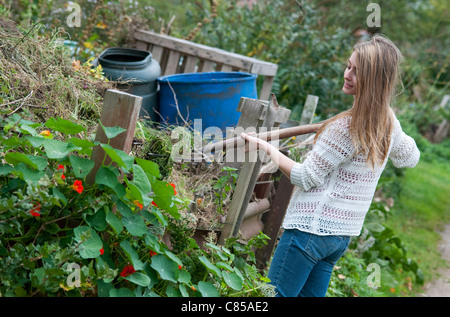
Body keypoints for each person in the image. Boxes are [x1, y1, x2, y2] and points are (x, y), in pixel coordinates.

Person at [240, 34, 420, 297]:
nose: (347, 74)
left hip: (309, 232)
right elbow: (410, 157)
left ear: (373, 81)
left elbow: (303, 176)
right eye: (349, 66)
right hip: (338, 239)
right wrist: (388, 121)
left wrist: (266, 147)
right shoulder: (386, 122)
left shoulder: (344, 127)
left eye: (357, 72)